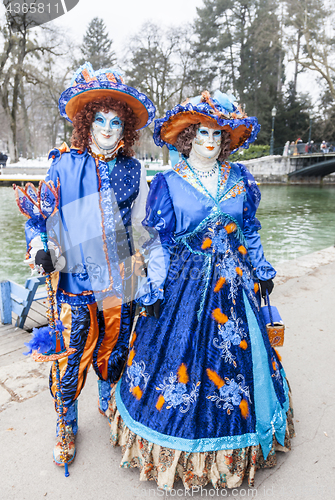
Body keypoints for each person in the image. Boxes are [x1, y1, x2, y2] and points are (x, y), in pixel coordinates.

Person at [106, 91, 294, 490]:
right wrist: (153, 289)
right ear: (188, 137)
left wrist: (261, 269)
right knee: (178, 364)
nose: (210, 139)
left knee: (239, 369)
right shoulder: (168, 183)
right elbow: (158, 242)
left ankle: (237, 448)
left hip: (234, 288)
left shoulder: (240, 179)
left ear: (226, 138)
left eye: (217, 132)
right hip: (184, 287)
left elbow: (249, 230)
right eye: (202, 132)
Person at [23, 62, 155, 466]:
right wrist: (40, 248)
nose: (108, 128)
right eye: (100, 119)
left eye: (117, 121)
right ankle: (65, 424)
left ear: (126, 127)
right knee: (70, 356)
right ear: (86, 122)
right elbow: (37, 220)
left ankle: (108, 400)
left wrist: (145, 260)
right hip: (76, 279)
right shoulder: (64, 165)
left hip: (117, 280)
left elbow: (142, 225)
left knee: (115, 351)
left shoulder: (135, 170)